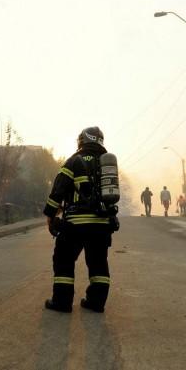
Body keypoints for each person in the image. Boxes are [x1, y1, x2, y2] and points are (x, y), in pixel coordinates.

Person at [43, 127, 119, 313]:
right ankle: (96, 302)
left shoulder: (73, 161)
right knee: (98, 262)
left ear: (81, 141)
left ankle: (62, 302)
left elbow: (58, 190)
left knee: (64, 260)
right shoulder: (105, 163)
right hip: (101, 224)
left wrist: (50, 214)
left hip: (75, 224)